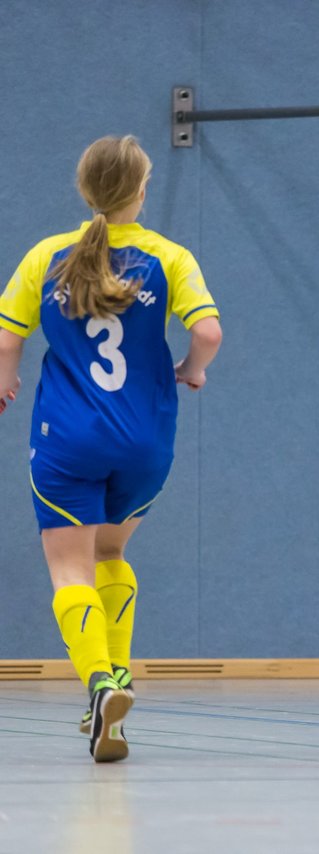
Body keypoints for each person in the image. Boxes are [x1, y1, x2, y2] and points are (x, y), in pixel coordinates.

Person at [0, 135, 222, 761]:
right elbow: (208, 331)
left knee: (69, 568)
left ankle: (99, 682)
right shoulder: (169, 256)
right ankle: (113, 707)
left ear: (84, 188)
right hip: (145, 438)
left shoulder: (48, 256)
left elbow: (5, 340)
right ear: (142, 191)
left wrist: (6, 382)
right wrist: (193, 368)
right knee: (110, 554)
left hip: (69, 439)